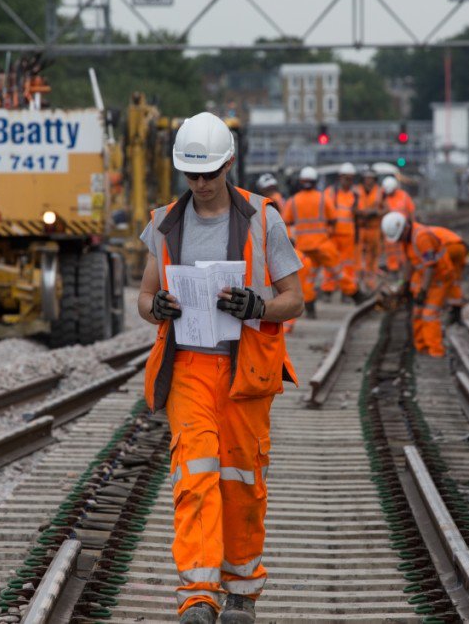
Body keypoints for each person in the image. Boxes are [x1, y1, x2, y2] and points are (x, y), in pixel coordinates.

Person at [138, 112, 304, 624]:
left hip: (245, 371)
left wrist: (256, 306)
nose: (202, 184)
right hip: (188, 366)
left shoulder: (262, 217)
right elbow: (144, 298)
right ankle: (198, 595)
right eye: (193, 175)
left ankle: (241, 591)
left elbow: (294, 299)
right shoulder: (164, 222)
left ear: (228, 163)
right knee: (195, 476)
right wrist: (157, 307)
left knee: (242, 481)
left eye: (210, 173)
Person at [283, 167, 363, 307]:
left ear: (301, 181)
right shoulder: (322, 198)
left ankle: (309, 304)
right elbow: (333, 219)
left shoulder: (293, 201)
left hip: (302, 247)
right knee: (338, 271)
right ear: (315, 182)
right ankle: (356, 295)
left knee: (308, 277)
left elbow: (286, 222)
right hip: (322, 244)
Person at [381, 211, 456, 358]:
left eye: (399, 237)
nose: (398, 240)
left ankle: (436, 352)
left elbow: (430, 266)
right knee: (417, 312)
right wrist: (405, 283)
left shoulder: (422, 237)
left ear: (405, 228)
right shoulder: (407, 239)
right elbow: (410, 262)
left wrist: (423, 291)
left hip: (439, 278)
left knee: (429, 314)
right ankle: (422, 348)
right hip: (425, 277)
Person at [321, 163, 362, 299]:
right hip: (332, 234)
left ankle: (347, 291)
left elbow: (359, 214)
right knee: (331, 262)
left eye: (350, 178)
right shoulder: (330, 192)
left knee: (347, 265)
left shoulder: (356, 195)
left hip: (348, 235)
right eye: (345, 178)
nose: (348, 181)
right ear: (340, 177)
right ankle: (328, 289)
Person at [426, 225, 468, 323]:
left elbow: (428, 257)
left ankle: (441, 305)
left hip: (447, 249)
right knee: (455, 281)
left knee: (442, 278)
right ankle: (456, 311)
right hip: (460, 247)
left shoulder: (420, 236)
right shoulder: (432, 229)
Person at [355, 167, 385, 290]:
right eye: (367, 178)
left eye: (371, 179)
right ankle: (357, 282)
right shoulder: (356, 191)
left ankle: (370, 283)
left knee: (373, 256)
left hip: (374, 228)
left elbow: (386, 208)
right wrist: (360, 213)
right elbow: (351, 207)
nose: (369, 181)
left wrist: (375, 212)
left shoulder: (380, 192)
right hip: (360, 228)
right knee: (357, 256)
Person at [381, 176, 416, 274]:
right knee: (390, 251)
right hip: (390, 230)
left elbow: (411, 211)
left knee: (403, 250)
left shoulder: (403, 196)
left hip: (402, 229)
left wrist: (413, 225)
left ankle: (404, 269)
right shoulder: (384, 198)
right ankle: (393, 269)